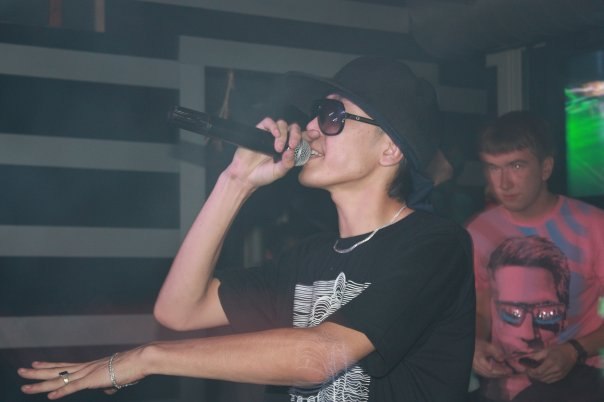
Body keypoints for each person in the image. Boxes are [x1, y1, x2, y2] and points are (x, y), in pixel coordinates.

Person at [17, 56, 475, 401]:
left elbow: (320, 356)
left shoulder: (435, 244)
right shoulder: (309, 257)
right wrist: (236, 182)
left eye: (333, 117)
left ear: (390, 149)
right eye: (315, 113)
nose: (311, 127)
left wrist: (148, 357)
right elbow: (179, 311)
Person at [466, 111, 604, 401]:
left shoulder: (592, 226)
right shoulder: (479, 230)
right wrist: (475, 344)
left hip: (575, 385)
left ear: (545, 168)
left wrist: (574, 351)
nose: (503, 183)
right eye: (493, 168)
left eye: (516, 165)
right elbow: (481, 310)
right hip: (499, 388)